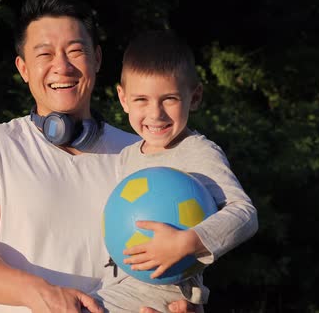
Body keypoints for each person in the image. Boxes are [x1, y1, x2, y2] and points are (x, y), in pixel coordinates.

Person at [0, 0, 196, 313]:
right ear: (23, 68)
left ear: (97, 59)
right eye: (45, 54)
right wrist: (40, 293)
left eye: (75, 51)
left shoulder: (143, 154)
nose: (62, 67)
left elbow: (174, 255)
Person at [89, 31, 258, 313]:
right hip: (119, 286)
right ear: (123, 98)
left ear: (195, 97)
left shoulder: (198, 152)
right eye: (141, 99)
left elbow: (244, 214)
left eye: (169, 99)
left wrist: (185, 242)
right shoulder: (127, 155)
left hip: (163, 291)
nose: (156, 114)